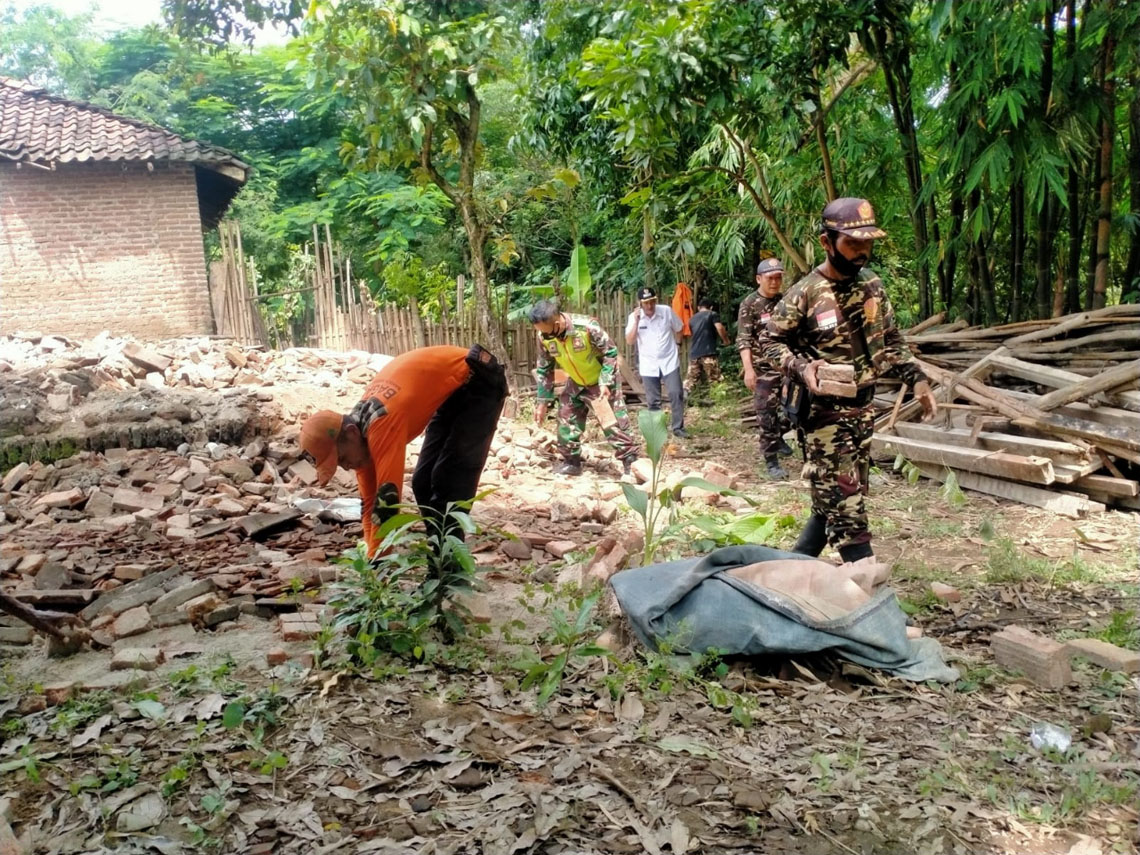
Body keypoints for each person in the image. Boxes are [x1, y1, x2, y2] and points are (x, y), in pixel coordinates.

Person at [763, 197, 937, 563]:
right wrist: (801, 367)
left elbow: (891, 338)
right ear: (827, 242)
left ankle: (794, 570)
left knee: (831, 499)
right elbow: (771, 342)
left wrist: (916, 378)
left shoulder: (872, 284)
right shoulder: (806, 292)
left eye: (867, 243)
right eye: (852, 243)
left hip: (864, 409)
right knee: (846, 506)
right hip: (824, 414)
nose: (862, 252)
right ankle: (868, 582)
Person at [299, 344, 507, 558]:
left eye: (342, 458)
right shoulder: (359, 437)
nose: (346, 467)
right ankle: (441, 558)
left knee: (448, 482)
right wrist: (371, 555)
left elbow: (387, 503)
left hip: (479, 377)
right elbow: (370, 504)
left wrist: (378, 563)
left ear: (351, 433)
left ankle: (450, 566)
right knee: (422, 483)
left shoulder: (381, 423)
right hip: (453, 390)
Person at [530, 300, 640, 477]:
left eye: (547, 332)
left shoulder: (587, 328)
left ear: (557, 324)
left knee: (611, 422)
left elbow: (610, 352)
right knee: (566, 417)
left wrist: (605, 381)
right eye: (541, 332)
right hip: (576, 381)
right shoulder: (543, 336)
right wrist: (542, 402)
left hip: (599, 380)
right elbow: (545, 368)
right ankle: (571, 462)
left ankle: (630, 461)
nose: (544, 336)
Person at [738, 257, 794, 478]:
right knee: (766, 415)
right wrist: (749, 370)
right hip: (763, 369)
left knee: (797, 409)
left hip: (787, 367)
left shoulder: (785, 301)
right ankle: (772, 462)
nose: (774, 282)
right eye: (770, 278)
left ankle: (779, 436)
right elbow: (743, 339)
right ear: (759, 279)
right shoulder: (750, 304)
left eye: (778, 278)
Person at [625, 286, 688, 438]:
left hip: (669, 360)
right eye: (646, 303)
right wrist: (636, 321)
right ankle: (658, 430)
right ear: (640, 303)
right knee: (653, 401)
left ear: (656, 300)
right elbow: (630, 340)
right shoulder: (634, 317)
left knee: (676, 393)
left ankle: (678, 427)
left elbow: (679, 327)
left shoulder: (666, 311)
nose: (649, 306)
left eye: (652, 302)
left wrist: (678, 344)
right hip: (648, 364)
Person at [684, 297, 730, 401]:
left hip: (694, 354)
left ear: (698, 307)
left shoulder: (692, 319)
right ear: (711, 307)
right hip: (708, 352)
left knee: (690, 380)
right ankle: (719, 400)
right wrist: (726, 340)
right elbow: (719, 327)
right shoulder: (712, 314)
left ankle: (683, 398)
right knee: (715, 378)